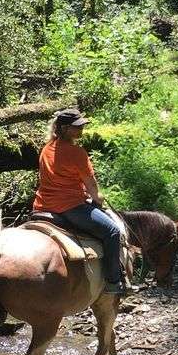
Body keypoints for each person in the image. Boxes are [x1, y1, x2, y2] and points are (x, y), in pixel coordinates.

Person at [32, 108, 126, 295]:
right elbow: (92, 187)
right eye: (77, 126)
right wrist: (98, 198)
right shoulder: (77, 153)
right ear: (64, 128)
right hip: (71, 206)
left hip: (42, 205)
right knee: (112, 231)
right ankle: (113, 282)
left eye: (82, 125)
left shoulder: (46, 148)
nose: (81, 128)